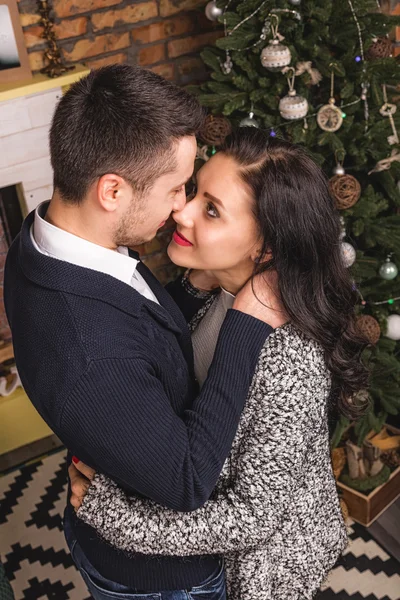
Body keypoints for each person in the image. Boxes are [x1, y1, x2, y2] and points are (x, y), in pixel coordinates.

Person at [3, 66, 282, 600]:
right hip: (161, 579)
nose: (182, 206)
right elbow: (186, 480)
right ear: (112, 190)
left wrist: (194, 288)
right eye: (177, 188)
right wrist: (247, 324)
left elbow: (135, 328)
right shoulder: (89, 355)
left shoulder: (41, 239)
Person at [69, 130, 369, 600]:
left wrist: (121, 519)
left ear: (264, 248)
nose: (180, 211)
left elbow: (251, 516)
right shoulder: (216, 294)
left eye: (211, 210)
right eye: (194, 192)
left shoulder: (291, 358)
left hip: (257, 572)